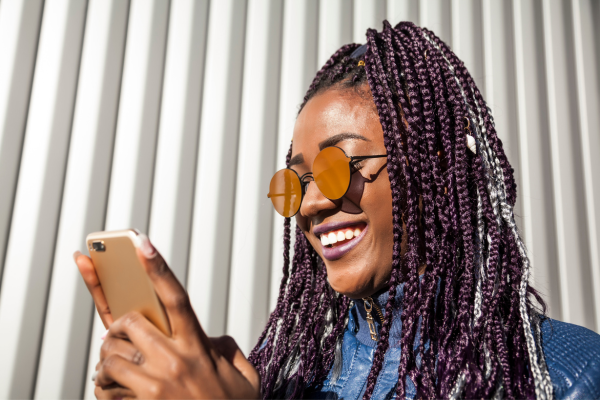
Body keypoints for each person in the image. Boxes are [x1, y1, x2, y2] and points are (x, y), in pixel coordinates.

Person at [74, 21, 600, 399]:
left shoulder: (562, 374)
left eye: (338, 168)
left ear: (433, 170)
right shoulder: (285, 379)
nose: (312, 202)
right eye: (296, 182)